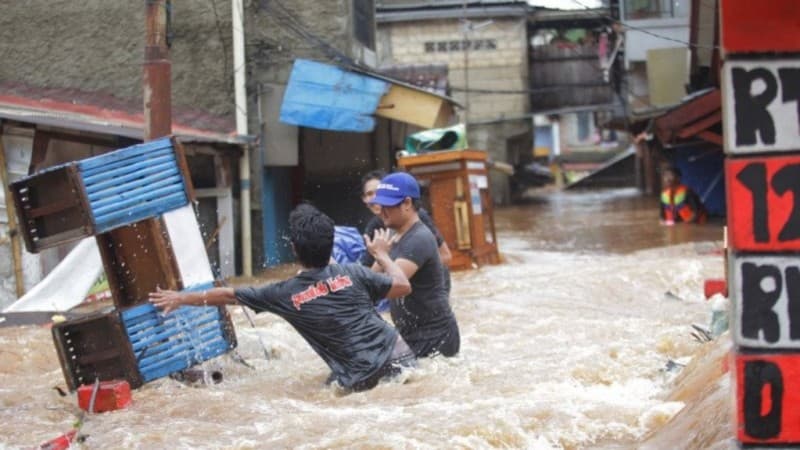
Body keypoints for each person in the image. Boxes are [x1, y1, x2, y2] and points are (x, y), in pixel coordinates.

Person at [149, 204, 415, 392]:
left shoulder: (283, 293)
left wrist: (180, 298)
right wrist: (381, 254)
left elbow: (227, 295)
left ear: (293, 249)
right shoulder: (354, 272)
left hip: (362, 377)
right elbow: (403, 285)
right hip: (401, 356)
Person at [369, 172, 460, 358]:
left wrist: (381, 255)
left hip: (434, 337)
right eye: (380, 205)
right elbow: (369, 281)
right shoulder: (394, 234)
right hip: (413, 335)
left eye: (388, 205)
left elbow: (388, 287)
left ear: (407, 203)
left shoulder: (418, 238)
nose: (381, 211)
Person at [360, 170, 452, 292]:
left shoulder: (418, 227)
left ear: (407, 203)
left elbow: (445, 256)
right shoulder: (376, 227)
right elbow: (368, 281)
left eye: (378, 193)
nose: (379, 206)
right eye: (370, 194)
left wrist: (415, 265)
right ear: (364, 200)